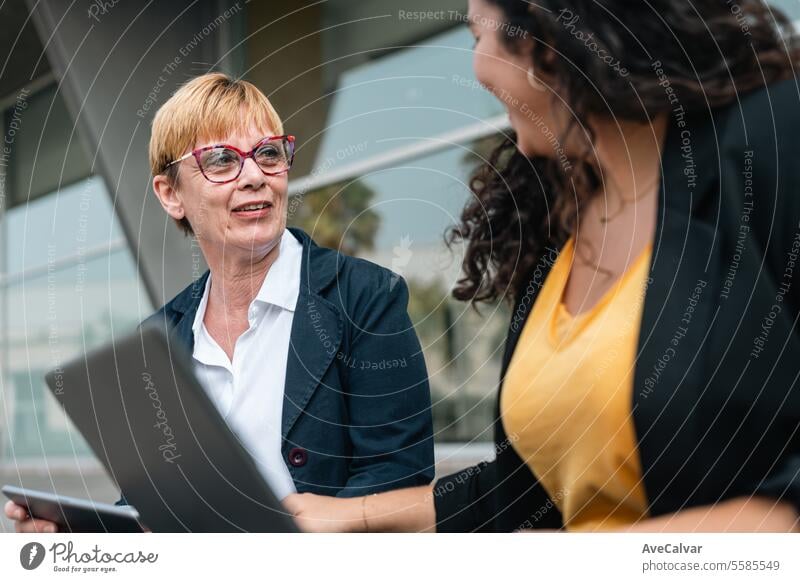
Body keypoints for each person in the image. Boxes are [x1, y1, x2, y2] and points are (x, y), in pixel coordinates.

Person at [282, 0, 800, 532]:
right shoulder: (560, 219)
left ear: (539, 40)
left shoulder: (773, 140)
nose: (477, 68)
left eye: (476, 36)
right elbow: (523, 494)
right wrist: (349, 517)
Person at [5, 73, 434, 533]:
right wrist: (84, 533)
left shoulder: (365, 298)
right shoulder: (160, 335)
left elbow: (396, 479)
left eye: (268, 153)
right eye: (221, 161)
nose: (254, 177)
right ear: (172, 195)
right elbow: (152, 502)